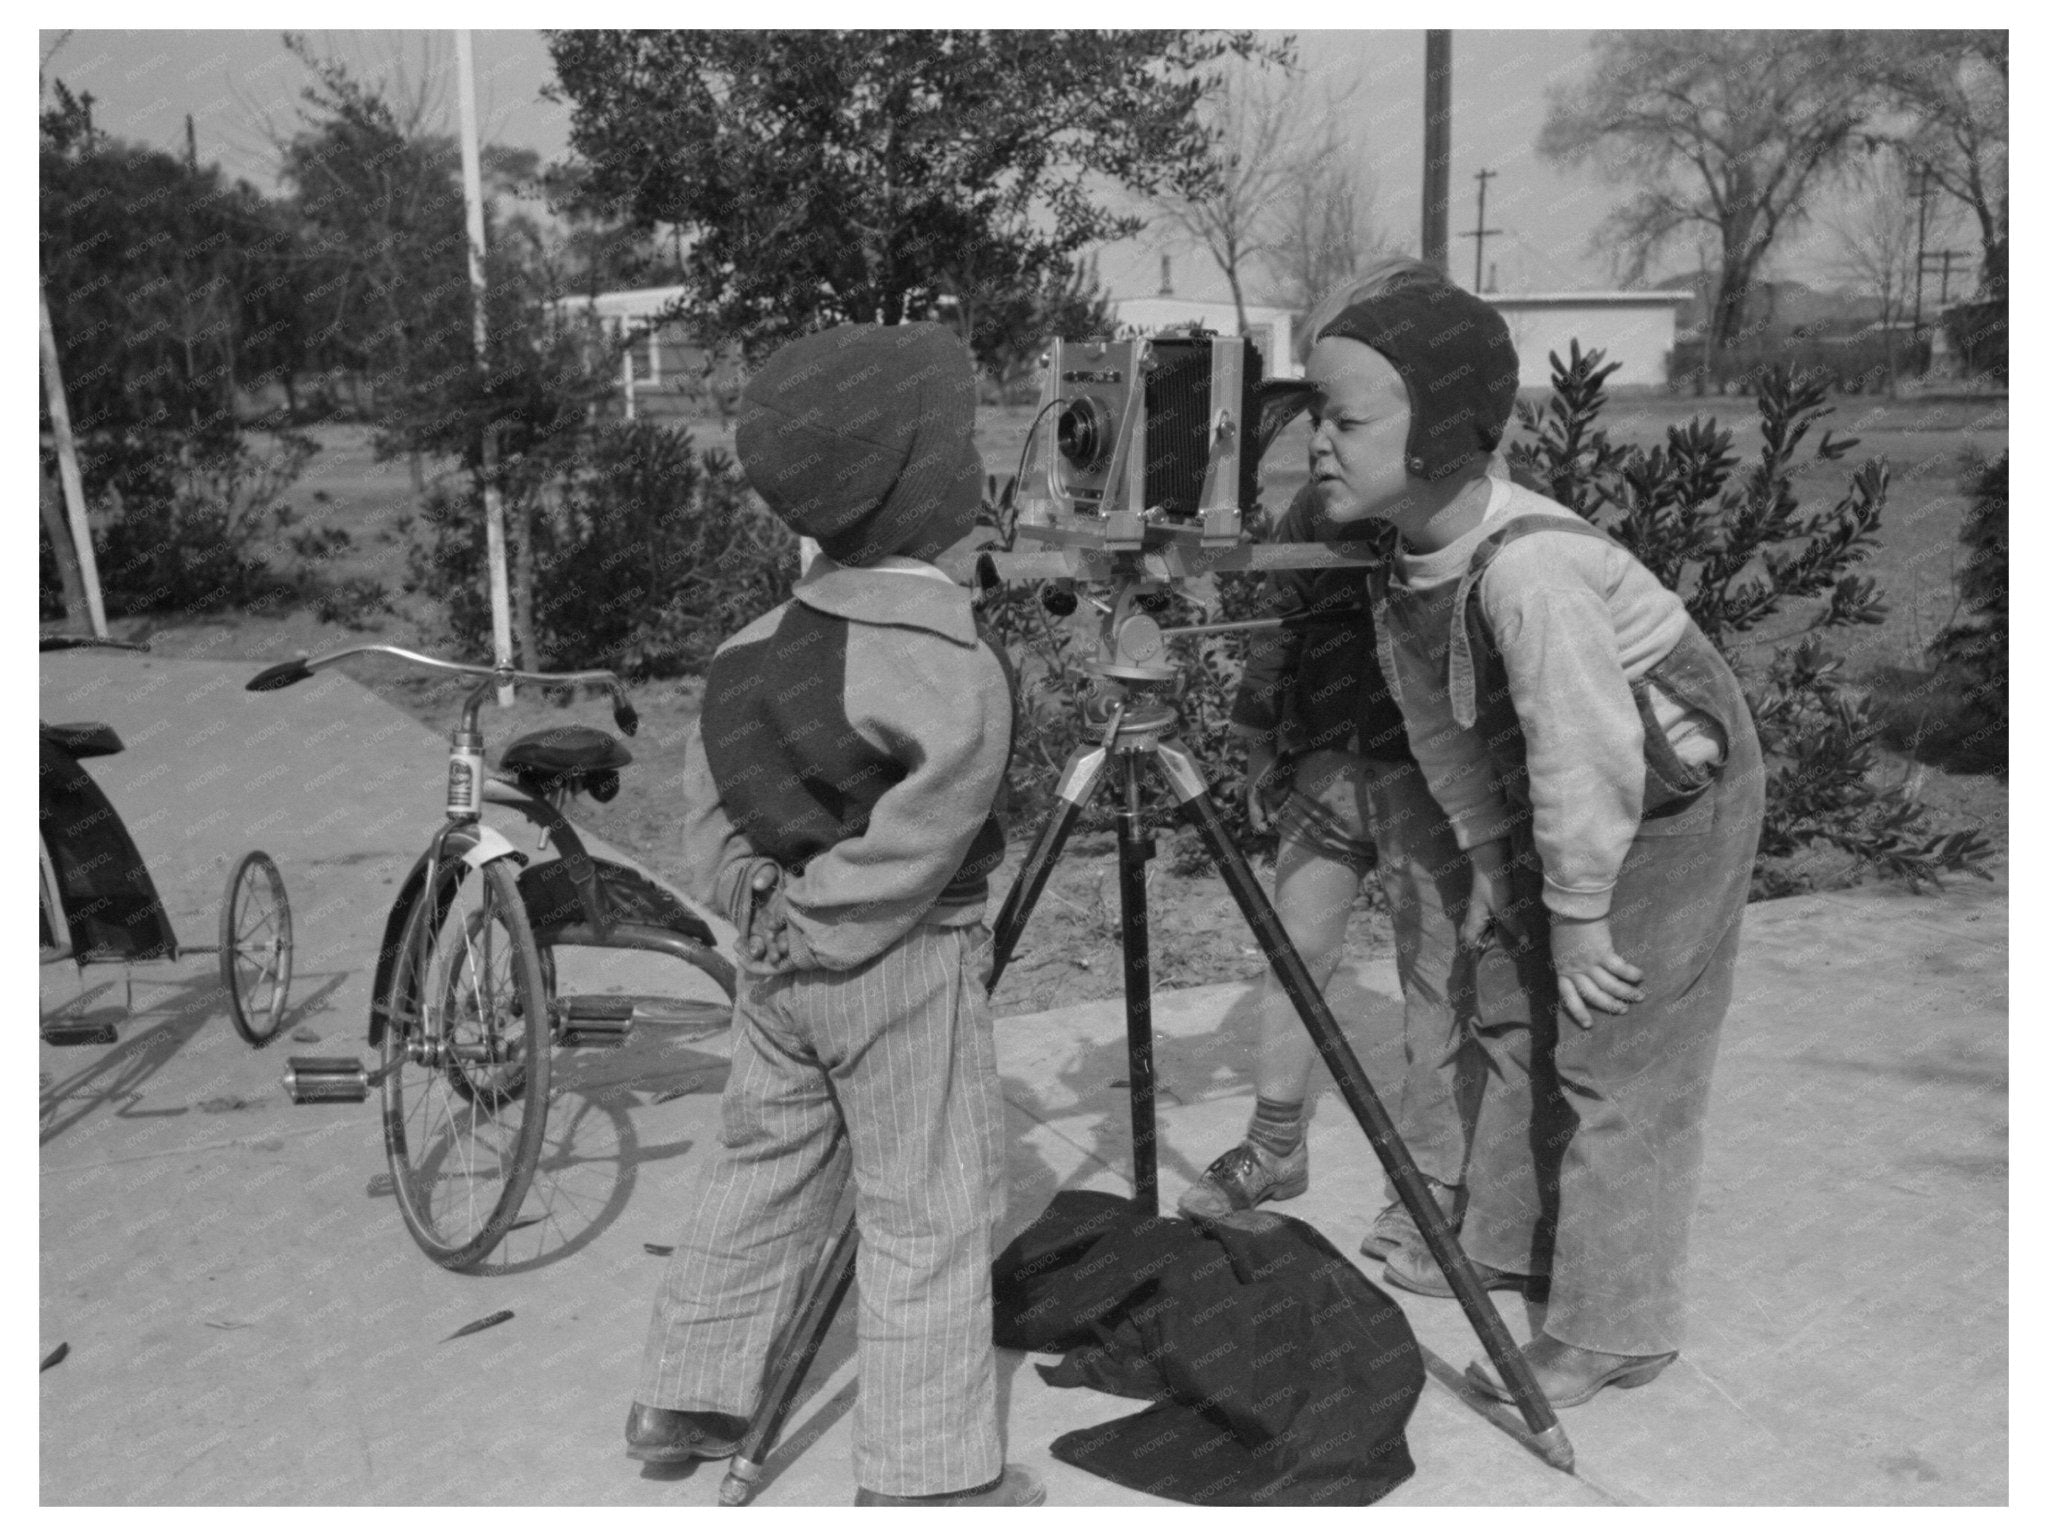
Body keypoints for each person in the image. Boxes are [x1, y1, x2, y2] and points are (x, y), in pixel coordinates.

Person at [1302, 281, 1765, 1406]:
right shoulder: (1406, 557)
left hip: (1667, 801)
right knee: (1506, 1002)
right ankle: (1510, 1241)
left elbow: (1586, 750)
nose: (1315, 440)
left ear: (1444, 434)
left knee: (1616, 1059)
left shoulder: (1528, 570)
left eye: (1346, 420)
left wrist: (1575, 913)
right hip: (1569, 803)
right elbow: (1445, 738)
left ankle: (1615, 1325)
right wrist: (1489, 863)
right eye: (1314, 412)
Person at [627, 321, 1043, 1506]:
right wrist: (832, 919)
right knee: (929, 1204)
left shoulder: (743, 651)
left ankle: (688, 1393)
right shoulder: (940, 655)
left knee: (762, 1164)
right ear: (926, 484)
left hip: (774, 968)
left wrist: (759, 907)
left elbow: (703, 822)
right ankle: (927, 1473)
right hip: (894, 966)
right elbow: (928, 829)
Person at [1177, 258, 1482, 1276]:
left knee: (1435, 982)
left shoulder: (1455, 510)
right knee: (1290, 952)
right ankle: (1273, 1149)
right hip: (1326, 768)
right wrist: (1261, 733)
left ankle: (1433, 1193)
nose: (1324, 432)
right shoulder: (1317, 506)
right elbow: (1280, 636)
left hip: (1427, 788)